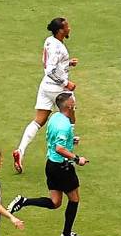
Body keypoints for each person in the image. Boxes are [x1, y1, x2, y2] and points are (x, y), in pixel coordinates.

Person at [19, 91, 88, 236]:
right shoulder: (63, 125)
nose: (75, 101)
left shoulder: (55, 117)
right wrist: (77, 159)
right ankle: (67, 234)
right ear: (69, 105)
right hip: (62, 167)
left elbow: (60, 135)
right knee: (74, 199)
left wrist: (71, 140)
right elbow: (59, 148)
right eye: (73, 101)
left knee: (55, 202)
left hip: (51, 165)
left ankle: (24, 201)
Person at [16, 16, 76, 172]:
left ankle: (20, 151)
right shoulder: (58, 47)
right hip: (57, 88)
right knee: (70, 111)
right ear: (61, 31)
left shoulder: (49, 41)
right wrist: (66, 83)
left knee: (38, 121)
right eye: (67, 27)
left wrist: (67, 63)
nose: (69, 28)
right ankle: (68, 146)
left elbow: (48, 62)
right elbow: (50, 69)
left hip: (45, 87)